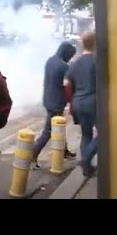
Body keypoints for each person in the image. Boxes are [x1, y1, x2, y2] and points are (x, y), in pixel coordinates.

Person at [31, 41, 77, 169]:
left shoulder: (50, 60)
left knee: (58, 126)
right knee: (49, 130)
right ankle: (33, 153)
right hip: (56, 102)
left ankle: (63, 150)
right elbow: (67, 84)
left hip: (48, 98)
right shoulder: (63, 66)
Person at [64, 31, 97, 177]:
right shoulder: (96, 60)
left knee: (86, 134)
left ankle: (87, 169)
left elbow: (66, 83)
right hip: (93, 102)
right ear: (95, 43)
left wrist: (72, 101)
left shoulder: (75, 63)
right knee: (105, 134)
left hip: (78, 102)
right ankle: (86, 159)